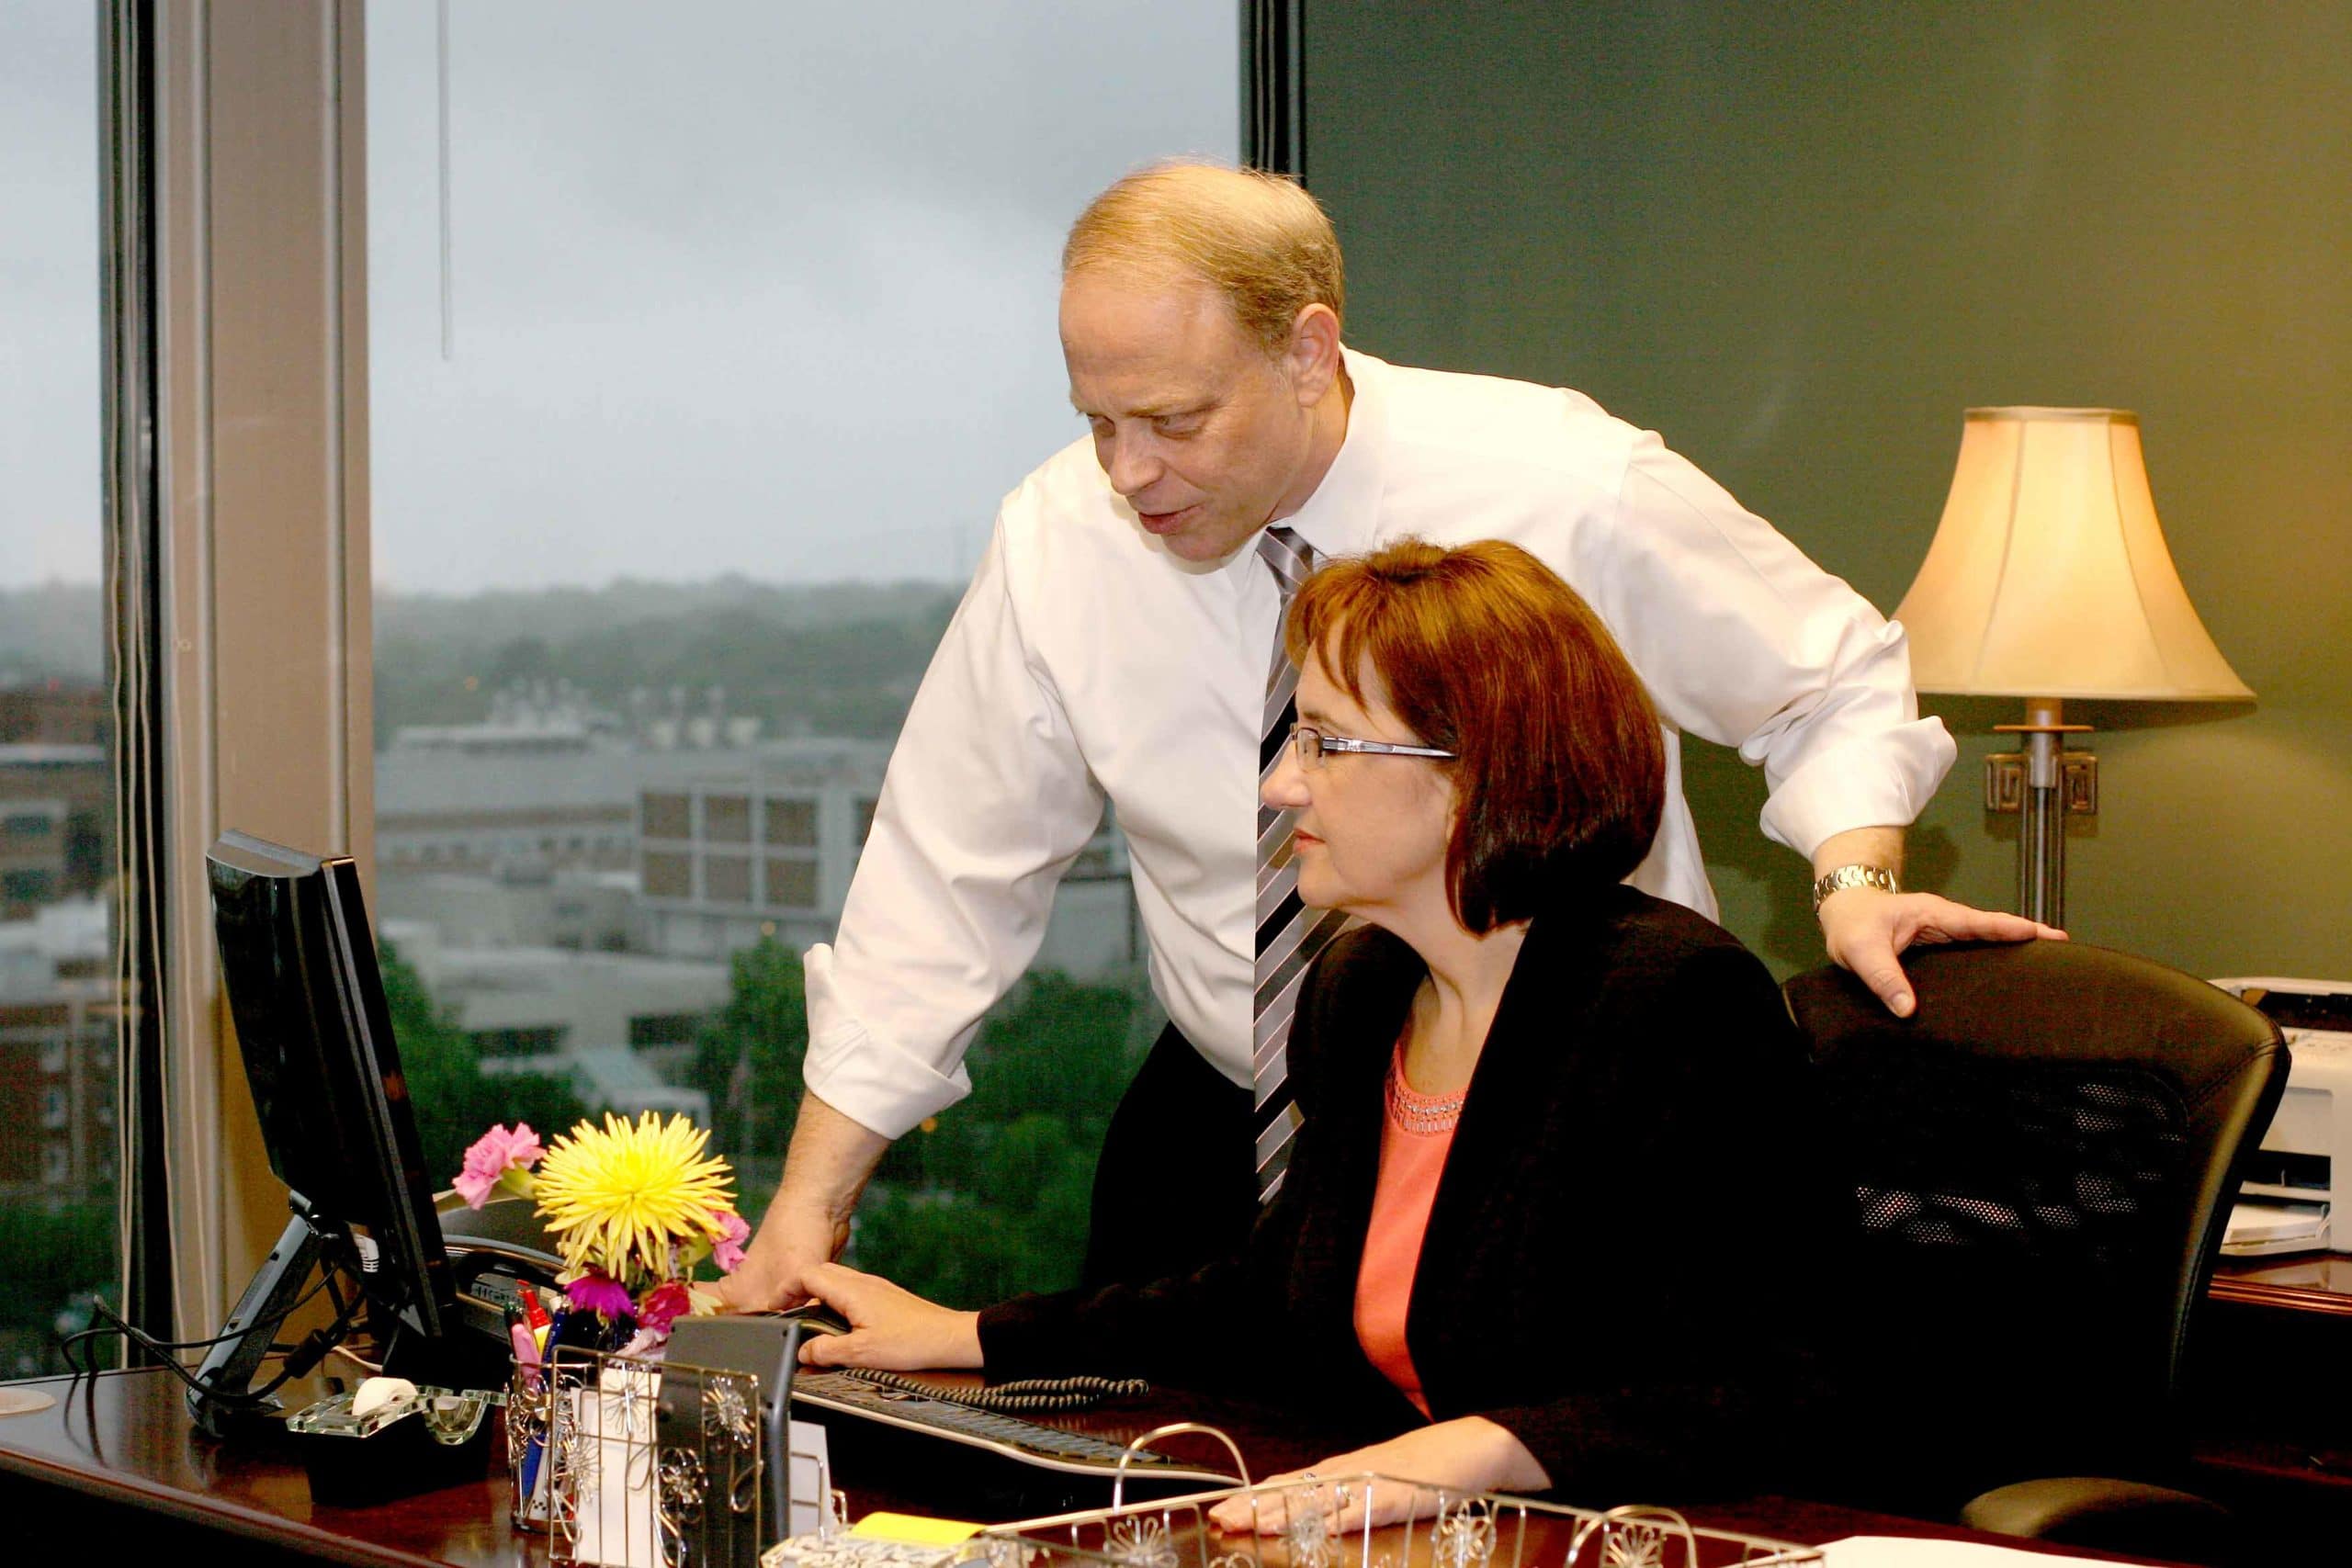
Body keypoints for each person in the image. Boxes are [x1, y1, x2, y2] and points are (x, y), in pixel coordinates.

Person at [721, 161, 2057, 1312]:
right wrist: (808, 1205)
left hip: (1561, 1119)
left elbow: (1828, 681)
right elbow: (942, 878)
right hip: (1232, 1124)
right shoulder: (1058, 538)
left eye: (1175, 421)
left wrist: (1856, 875)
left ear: (1309, 350)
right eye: (1098, 421)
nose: (1127, 473)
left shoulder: (1562, 480)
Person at [788, 539, 1832, 1525]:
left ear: (1473, 768)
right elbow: (1267, 1299)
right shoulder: (1361, 985)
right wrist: (971, 1334)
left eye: (1325, 742)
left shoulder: (1672, 1001)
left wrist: (1488, 1447)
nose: (1280, 782)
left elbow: (1761, 1387)